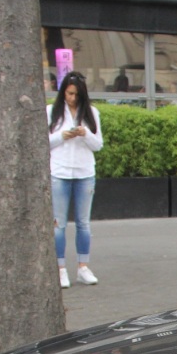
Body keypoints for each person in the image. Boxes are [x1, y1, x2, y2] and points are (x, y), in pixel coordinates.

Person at [48, 71, 104, 288]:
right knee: (58, 224)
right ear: (63, 92)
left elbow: (98, 144)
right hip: (59, 172)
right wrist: (62, 135)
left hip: (84, 173)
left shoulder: (91, 113)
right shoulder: (52, 112)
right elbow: (45, 142)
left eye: (76, 95)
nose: (72, 98)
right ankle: (60, 268)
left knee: (83, 223)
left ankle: (83, 267)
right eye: (69, 94)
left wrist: (84, 133)